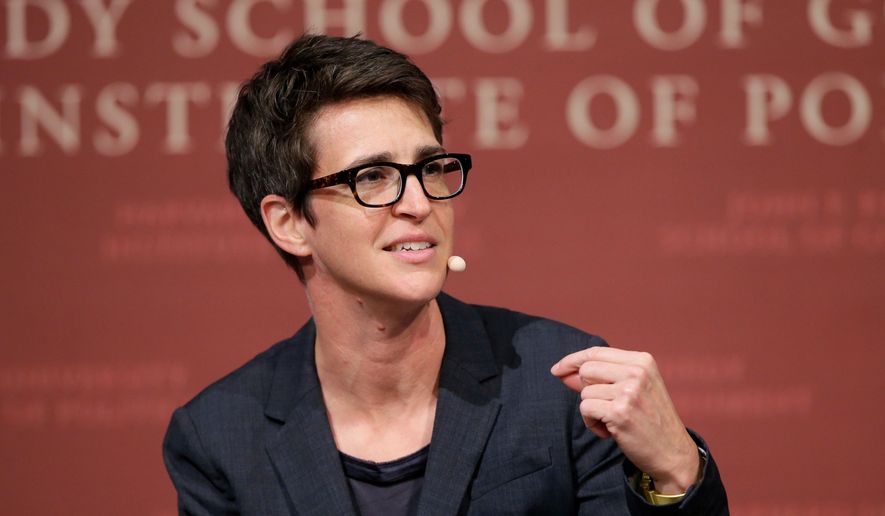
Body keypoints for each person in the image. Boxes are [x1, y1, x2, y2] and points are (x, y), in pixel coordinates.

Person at [163, 34, 729, 515]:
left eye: (430, 168)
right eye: (375, 176)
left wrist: (677, 471)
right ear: (289, 223)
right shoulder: (219, 437)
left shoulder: (564, 388)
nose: (418, 202)